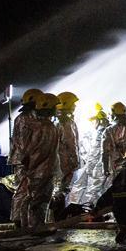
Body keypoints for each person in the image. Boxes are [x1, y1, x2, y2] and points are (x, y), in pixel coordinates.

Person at [10, 92, 62, 227]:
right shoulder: (44, 126)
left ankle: (24, 223)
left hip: (33, 166)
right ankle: (33, 226)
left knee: (29, 195)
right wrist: (30, 165)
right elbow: (37, 150)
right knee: (36, 197)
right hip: (39, 168)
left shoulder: (38, 124)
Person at [6, 87, 42, 223]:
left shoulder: (30, 117)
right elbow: (22, 142)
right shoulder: (23, 119)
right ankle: (17, 220)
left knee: (28, 189)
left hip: (28, 159)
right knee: (22, 189)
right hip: (24, 160)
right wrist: (27, 159)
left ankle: (25, 219)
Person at [50, 91, 81, 221]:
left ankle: (54, 217)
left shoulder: (54, 122)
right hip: (65, 162)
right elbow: (71, 144)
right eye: (73, 104)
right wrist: (76, 161)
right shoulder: (67, 123)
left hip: (56, 163)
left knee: (57, 188)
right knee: (63, 190)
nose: (75, 106)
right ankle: (59, 217)